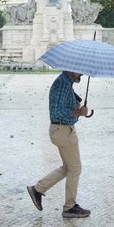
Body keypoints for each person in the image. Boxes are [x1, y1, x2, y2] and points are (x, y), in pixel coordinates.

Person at [27, 70, 91, 218]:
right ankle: (69, 207)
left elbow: (64, 108)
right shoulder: (62, 84)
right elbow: (58, 113)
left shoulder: (66, 83)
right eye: (79, 71)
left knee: (68, 167)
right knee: (75, 169)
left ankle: (38, 189)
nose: (81, 74)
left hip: (62, 130)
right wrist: (79, 112)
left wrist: (77, 107)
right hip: (63, 130)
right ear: (71, 68)